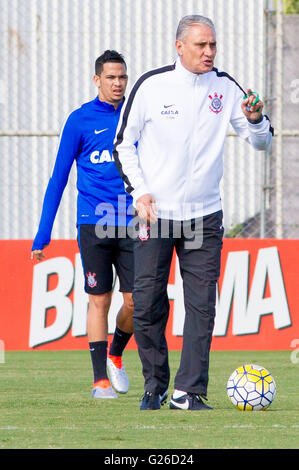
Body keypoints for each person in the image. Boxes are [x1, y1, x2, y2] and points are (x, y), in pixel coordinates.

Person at [113, 15, 274, 410]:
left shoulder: (225, 87)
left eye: (213, 45)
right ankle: (155, 385)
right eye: (201, 45)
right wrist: (140, 191)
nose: (209, 52)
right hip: (155, 214)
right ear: (179, 46)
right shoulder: (151, 86)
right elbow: (123, 144)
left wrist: (255, 120)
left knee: (202, 303)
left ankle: (190, 391)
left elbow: (262, 142)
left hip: (204, 216)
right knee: (148, 300)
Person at [31, 50, 135, 399]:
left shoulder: (137, 116)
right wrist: (42, 235)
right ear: (97, 80)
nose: (118, 83)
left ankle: (116, 355)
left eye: (122, 77)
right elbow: (58, 179)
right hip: (94, 222)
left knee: (137, 302)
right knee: (99, 299)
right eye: (111, 78)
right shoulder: (79, 120)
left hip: (135, 222)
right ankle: (99, 381)